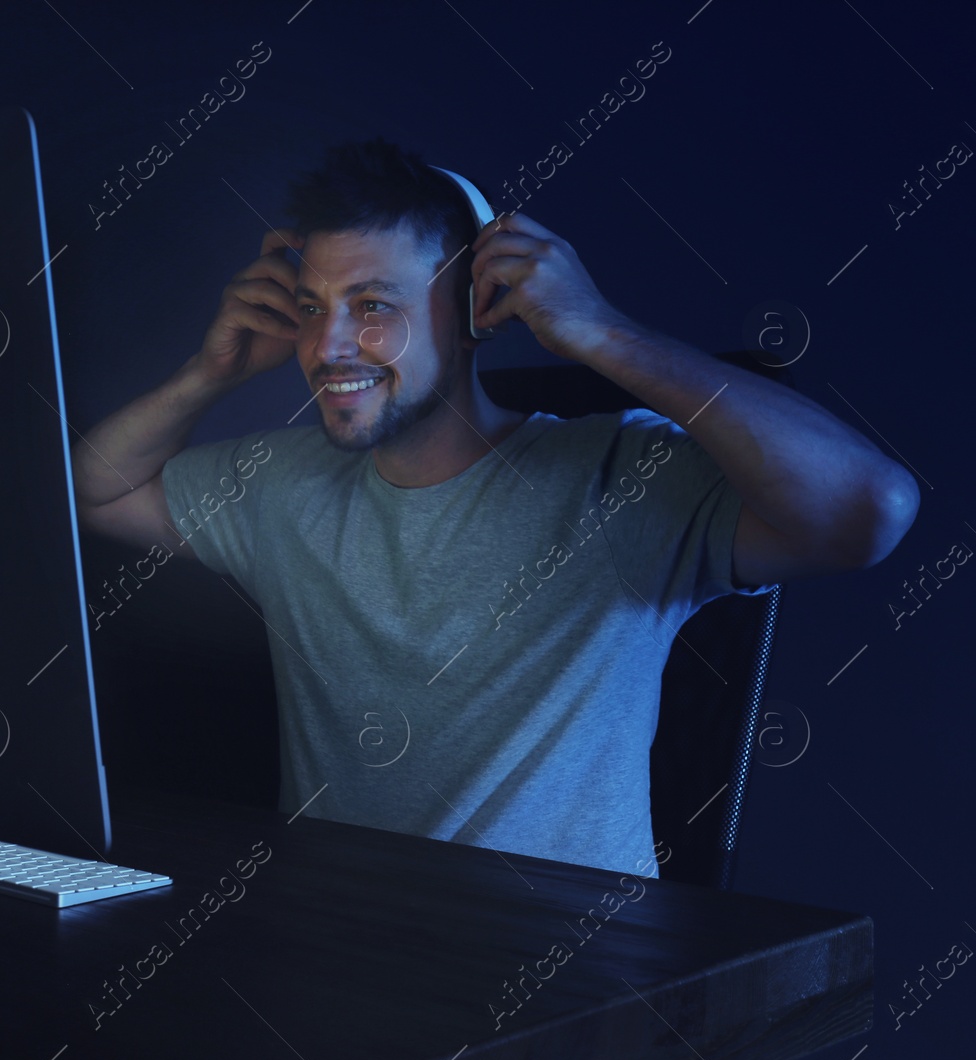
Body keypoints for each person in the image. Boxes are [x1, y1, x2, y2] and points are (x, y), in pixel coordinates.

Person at [69, 138, 918, 875]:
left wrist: (601, 331)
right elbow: (94, 488)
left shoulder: (620, 475)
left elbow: (869, 508)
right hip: (335, 966)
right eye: (310, 308)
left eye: (371, 305)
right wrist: (207, 375)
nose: (327, 347)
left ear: (477, 307)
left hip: (566, 989)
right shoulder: (281, 486)